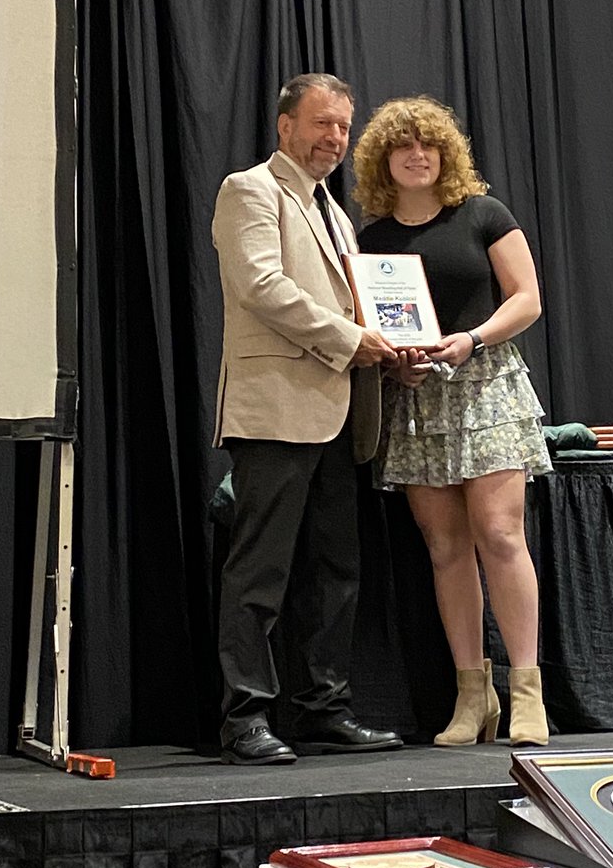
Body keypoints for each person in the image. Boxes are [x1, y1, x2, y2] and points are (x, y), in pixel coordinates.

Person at [212, 72, 403, 765]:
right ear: (284, 125)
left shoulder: (335, 211)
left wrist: (388, 349)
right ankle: (244, 719)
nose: (335, 139)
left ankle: (324, 708)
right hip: (274, 411)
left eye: (344, 128)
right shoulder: (250, 190)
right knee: (259, 573)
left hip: (341, 411)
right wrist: (354, 340)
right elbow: (262, 286)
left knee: (334, 571)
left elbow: (358, 305)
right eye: (322, 124)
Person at [353, 95, 552, 747]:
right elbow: (369, 329)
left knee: (500, 534)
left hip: (486, 385)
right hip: (417, 402)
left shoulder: (483, 214)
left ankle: (527, 693)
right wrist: (395, 364)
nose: (417, 155)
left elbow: (526, 300)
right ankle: (473, 696)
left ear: (445, 153)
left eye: (428, 145)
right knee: (444, 548)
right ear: (385, 160)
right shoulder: (370, 238)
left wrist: (473, 340)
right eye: (403, 146)